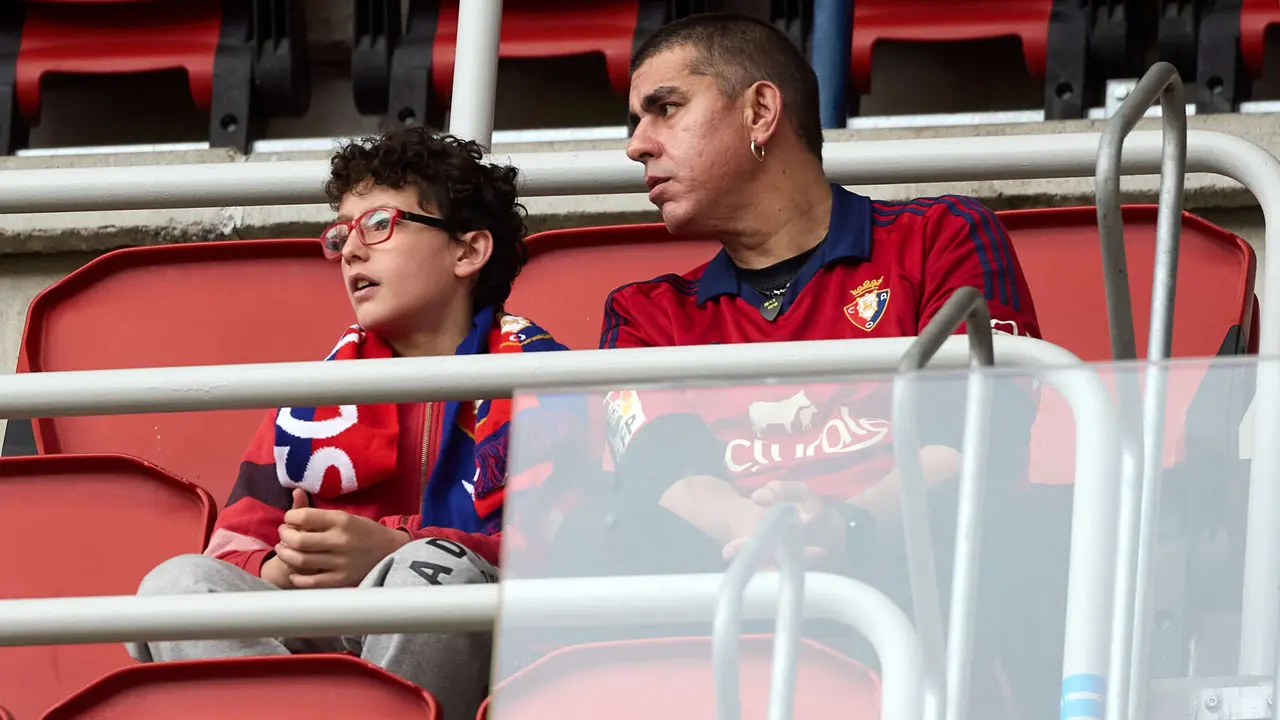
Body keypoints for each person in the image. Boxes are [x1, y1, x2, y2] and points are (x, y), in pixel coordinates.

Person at [572, 14, 1046, 717]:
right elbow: (662, 470)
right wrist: (773, 541)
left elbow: (978, 432)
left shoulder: (939, 238)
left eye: (665, 108)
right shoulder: (646, 313)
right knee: (585, 537)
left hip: (914, 572)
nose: (637, 145)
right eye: (637, 121)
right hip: (720, 587)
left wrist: (847, 528)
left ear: (761, 111)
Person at [128, 127, 575, 720]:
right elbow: (235, 545)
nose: (352, 252)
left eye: (380, 225)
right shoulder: (313, 398)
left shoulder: (557, 385)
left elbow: (573, 555)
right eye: (342, 234)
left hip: (497, 657)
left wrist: (395, 548)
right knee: (175, 585)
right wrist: (275, 567)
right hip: (324, 635)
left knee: (429, 576)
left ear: (467, 251)